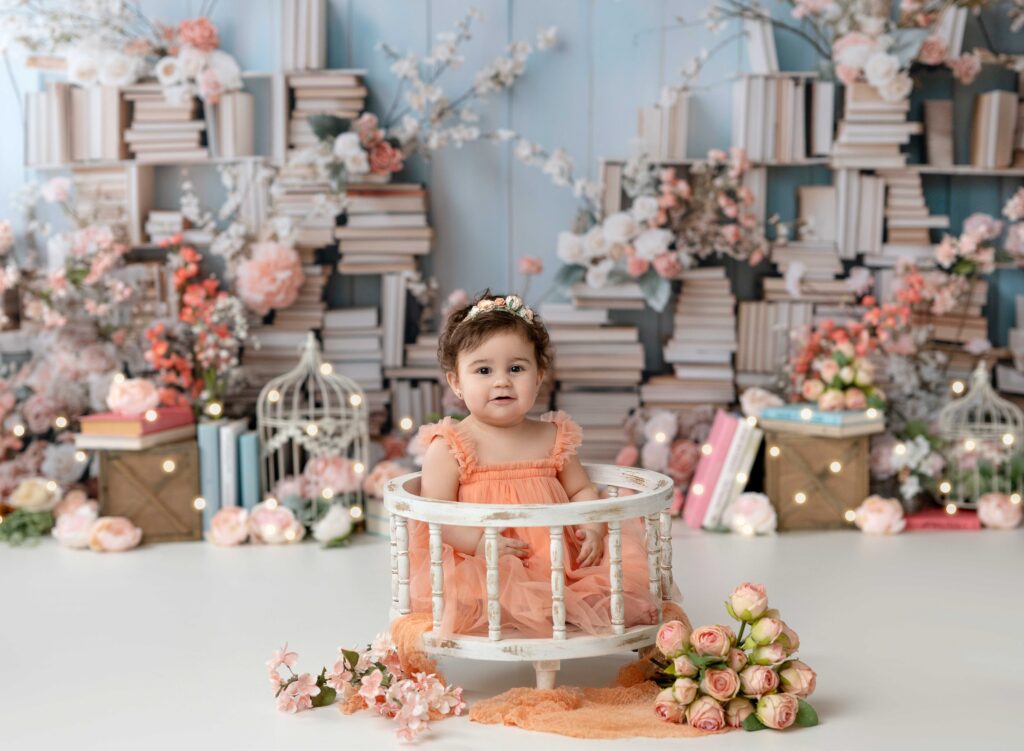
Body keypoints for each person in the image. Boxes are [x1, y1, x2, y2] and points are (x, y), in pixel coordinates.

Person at [409, 291, 659, 637]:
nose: (501, 381)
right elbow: (435, 517)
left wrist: (593, 527)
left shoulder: (553, 436)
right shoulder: (450, 446)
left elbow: (581, 489)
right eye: (483, 370)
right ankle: (524, 611)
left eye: (516, 368)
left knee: (607, 575)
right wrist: (479, 543)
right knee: (484, 591)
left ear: (539, 375)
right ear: (456, 382)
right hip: (489, 567)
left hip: (562, 567)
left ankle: (580, 606)